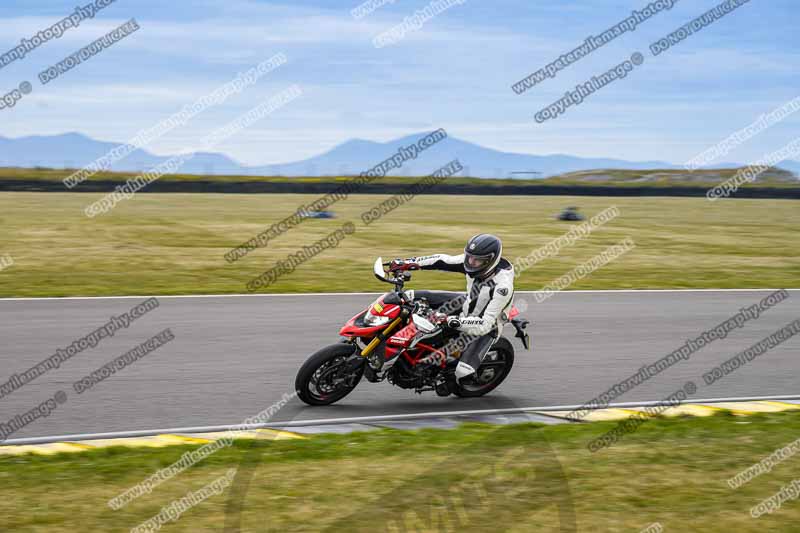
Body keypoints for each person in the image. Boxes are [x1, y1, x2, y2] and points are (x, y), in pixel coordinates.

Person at [388, 233, 515, 385]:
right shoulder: (473, 260)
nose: (471, 262)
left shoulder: (503, 287)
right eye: (469, 257)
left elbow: (484, 325)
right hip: (467, 304)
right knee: (410, 296)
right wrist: (408, 263)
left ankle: (447, 372)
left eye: (477, 260)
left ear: (490, 261)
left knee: (463, 373)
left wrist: (449, 320)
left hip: (486, 326)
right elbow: (441, 260)